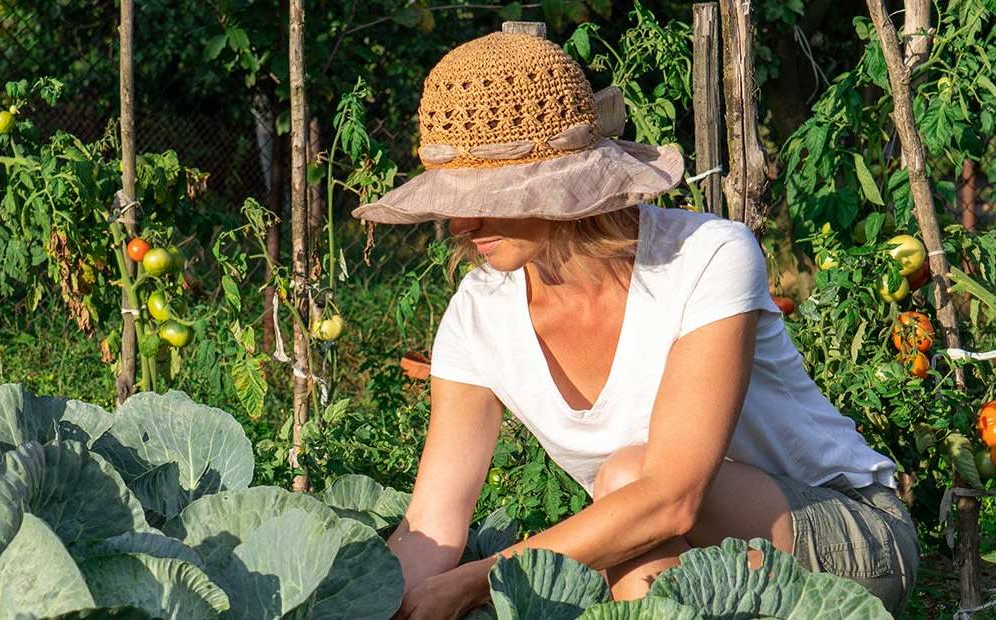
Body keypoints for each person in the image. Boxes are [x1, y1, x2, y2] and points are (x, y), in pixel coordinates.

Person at [350, 27, 919, 619]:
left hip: (841, 542)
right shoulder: (479, 310)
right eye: (452, 198)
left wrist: (476, 581)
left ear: (560, 183)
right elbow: (433, 520)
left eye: (486, 196)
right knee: (636, 551)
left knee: (631, 482)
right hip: (672, 551)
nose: (460, 226)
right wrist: (364, 604)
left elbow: (670, 497)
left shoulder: (704, 256)